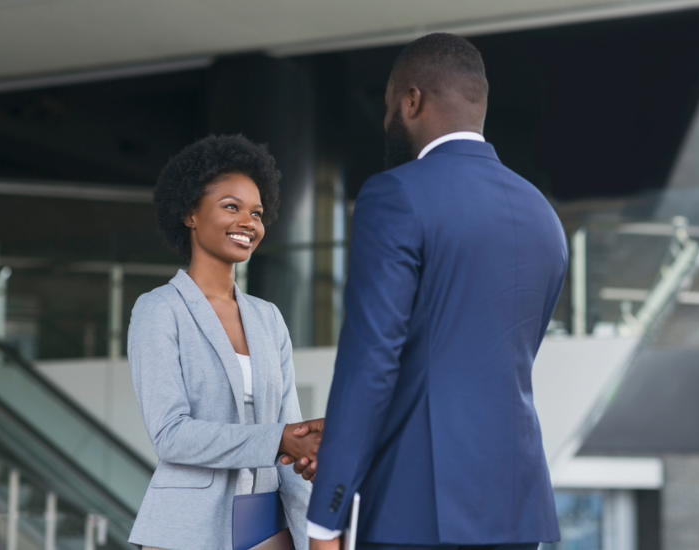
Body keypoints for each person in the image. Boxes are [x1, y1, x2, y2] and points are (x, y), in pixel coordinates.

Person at [300, 33, 567, 550]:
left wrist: (326, 518)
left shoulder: (395, 194)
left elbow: (372, 361)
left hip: (416, 508)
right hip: (517, 511)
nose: (385, 123)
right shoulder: (544, 216)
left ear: (411, 100)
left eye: (387, 107)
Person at [127, 135, 321, 550]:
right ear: (190, 214)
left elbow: (289, 445)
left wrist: (315, 538)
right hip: (186, 529)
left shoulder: (269, 319)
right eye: (231, 207)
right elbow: (171, 435)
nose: (248, 223)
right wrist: (280, 439)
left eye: (257, 212)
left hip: (267, 526)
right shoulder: (159, 310)